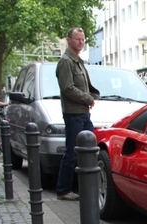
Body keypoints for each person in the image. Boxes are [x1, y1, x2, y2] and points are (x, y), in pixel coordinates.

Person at [56, 27, 100, 201]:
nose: (81, 42)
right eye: (77, 39)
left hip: (82, 113)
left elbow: (86, 85)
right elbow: (67, 88)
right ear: (69, 40)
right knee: (72, 151)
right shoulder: (66, 61)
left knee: (90, 147)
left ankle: (85, 185)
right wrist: (88, 99)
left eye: (82, 39)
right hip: (74, 113)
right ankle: (63, 189)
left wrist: (93, 95)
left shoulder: (77, 60)